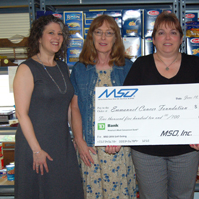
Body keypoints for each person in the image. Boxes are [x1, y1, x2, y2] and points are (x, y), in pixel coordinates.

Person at [123, 11, 199, 199]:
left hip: (186, 150)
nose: (167, 38)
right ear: (153, 39)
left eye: (173, 32)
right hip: (147, 153)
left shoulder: (194, 64)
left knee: (183, 196)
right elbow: (126, 105)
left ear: (181, 38)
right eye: (161, 32)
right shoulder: (141, 65)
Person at [13, 15, 84, 199]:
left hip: (61, 143)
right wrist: (36, 150)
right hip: (35, 143)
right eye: (51, 33)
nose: (57, 37)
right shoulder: (26, 68)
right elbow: (21, 114)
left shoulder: (61, 67)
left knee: (66, 190)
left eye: (60, 34)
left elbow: (67, 106)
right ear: (39, 37)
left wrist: (76, 138)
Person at [70, 14, 136, 199]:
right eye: (98, 32)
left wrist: (122, 136)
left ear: (116, 38)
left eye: (109, 33)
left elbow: (135, 108)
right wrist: (79, 141)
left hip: (120, 146)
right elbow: (74, 108)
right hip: (90, 146)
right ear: (91, 36)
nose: (103, 38)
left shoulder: (128, 67)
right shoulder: (80, 69)